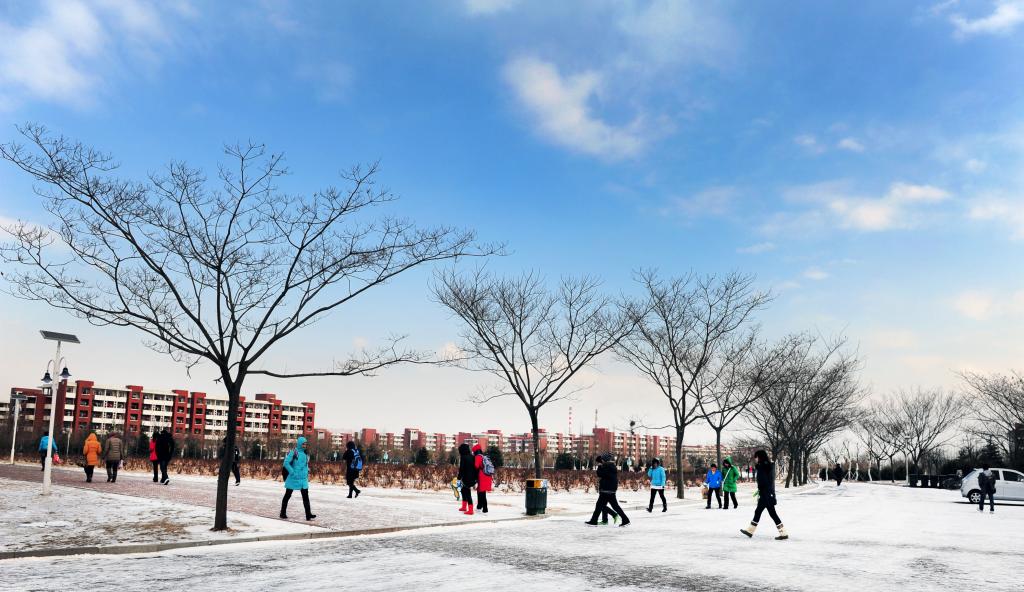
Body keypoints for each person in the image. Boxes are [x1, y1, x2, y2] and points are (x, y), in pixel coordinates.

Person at [741, 449, 787, 540]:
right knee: (765, 513)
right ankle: (782, 532)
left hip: (765, 494)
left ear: (760, 457)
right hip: (768, 493)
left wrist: (761, 489)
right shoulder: (767, 466)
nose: (755, 459)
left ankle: (751, 531)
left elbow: (763, 481)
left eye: (756, 457)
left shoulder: (762, 467)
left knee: (766, 513)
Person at [585, 453, 630, 527]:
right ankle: (625, 520)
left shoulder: (608, 466)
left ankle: (594, 521)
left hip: (606, 490)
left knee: (599, 506)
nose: (601, 461)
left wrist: (599, 466)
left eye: (602, 460)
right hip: (610, 490)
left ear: (605, 460)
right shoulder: (611, 466)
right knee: (614, 506)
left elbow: (600, 474)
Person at [280, 436, 316, 521]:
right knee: (288, 495)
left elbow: (304, 464)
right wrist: (292, 472)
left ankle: (308, 514)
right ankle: (282, 513)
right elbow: (286, 463)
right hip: (293, 478)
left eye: (305, 444)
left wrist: (307, 470)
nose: (305, 445)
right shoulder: (294, 452)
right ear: (299, 444)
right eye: (303, 444)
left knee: (305, 496)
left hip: (303, 479)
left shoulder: (306, 454)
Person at [458, 442, 477, 515]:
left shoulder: (463, 457)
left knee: (467, 493)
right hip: (472, 478)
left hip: (466, 478)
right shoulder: (472, 456)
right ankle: (464, 507)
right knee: (463, 491)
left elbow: (461, 469)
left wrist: (459, 478)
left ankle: (471, 510)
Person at [473, 444, 493, 514]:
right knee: (481, 491)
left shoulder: (478, 457)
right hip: (487, 475)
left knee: (481, 492)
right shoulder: (483, 456)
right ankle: (480, 506)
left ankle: (485, 508)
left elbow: (476, 466)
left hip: (482, 475)